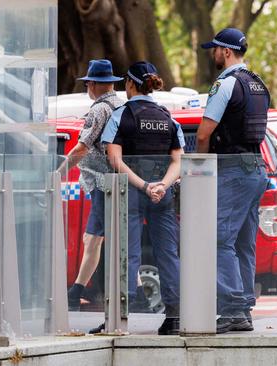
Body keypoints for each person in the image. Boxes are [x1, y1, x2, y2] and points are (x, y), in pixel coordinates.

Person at [98, 61, 185, 335]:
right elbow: (178, 161)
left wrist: (145, 186)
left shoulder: (121, 115)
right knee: (168, 253)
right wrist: (162, 186)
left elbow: (114, 158)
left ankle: (119, 318)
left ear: (131, 84)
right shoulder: (167, 116)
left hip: (132, 192)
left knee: (127, 252)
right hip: (164, 193)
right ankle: (175, 316)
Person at [197, 28, 270, 333]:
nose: (212, 54)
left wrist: (199, 168)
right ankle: (244, 309)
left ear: (226, 52)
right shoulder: (258, 84)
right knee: (243, 242)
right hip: (256, 168)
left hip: (232, 170)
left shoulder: (226, 84)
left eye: (214, 49)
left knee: (218, 239)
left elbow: (203, 134)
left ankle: (232, 309)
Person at [57, 59, 125, 311]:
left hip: (101, 182)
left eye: (87, 83)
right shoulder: (122, 105)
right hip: (122, 180)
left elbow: (82, 147)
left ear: (94, 84)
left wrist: (60, 171)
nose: (87, 87)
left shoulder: (98, 111)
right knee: (117, 237)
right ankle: (136, 290)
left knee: (93, 238)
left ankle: (76, 292)